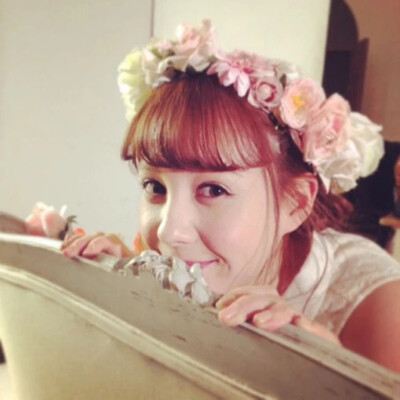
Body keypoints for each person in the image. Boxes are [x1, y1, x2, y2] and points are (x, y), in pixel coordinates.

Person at [61, 20, 400, 372]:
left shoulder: (376, 304)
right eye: (155, 187)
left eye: (213, 189)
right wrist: (121, 311)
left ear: (295, 202)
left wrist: (331, 382)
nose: (169, 232)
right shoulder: (167, 256)